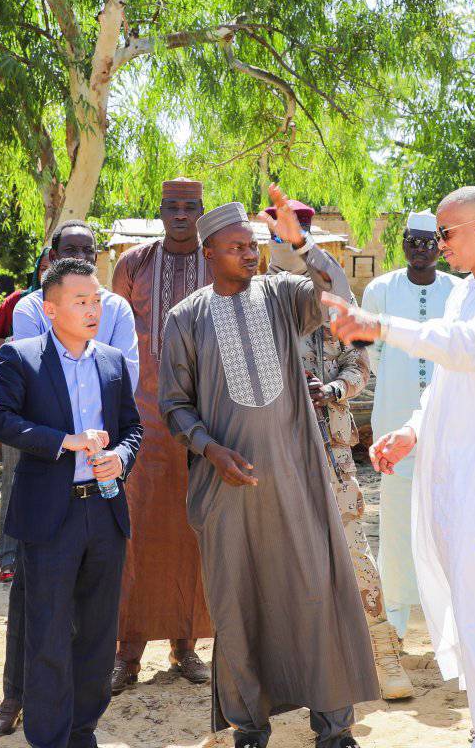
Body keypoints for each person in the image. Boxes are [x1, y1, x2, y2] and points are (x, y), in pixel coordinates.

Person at [330, 186, 475, 748]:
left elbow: (473, 348)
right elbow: (448, 381)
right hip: (462, 486)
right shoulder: (468, 292)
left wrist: (380, 326)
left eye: (448, 233)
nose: (439, 245)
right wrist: (413, 429)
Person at [159, 195, 378, 748]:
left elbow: (335, 295)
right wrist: (211, 450)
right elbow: (174, 405)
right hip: (226, 490)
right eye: (237, 248)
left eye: (253, 245)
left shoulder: (281, 295)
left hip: (297, 480)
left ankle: (333, 727)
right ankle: (248, 727)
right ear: (209, 253)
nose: (250, 255)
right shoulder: (186, 317)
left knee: (314, 593)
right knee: (238, 602)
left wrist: (299, 245)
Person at [0, 258, 143, 748]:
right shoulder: (21, 355)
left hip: (105, 511)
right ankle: (48, 737)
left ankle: (82, 731)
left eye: (96, 300)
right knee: (48, 632)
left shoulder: (112, 361)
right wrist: (64, 441)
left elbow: (133, 428)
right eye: (81, 301)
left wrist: (120, 456)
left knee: (97, 634)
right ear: (50, 309)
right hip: (50, 514)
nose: (93, 309)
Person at [265, 198, 415, 702]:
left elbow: (359, 367)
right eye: (280, 235)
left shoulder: (334, 296)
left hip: (331, 450)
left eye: (299, 235)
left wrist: (332, 392)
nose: (288, 243)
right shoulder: (253, 296)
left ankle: (385, 659)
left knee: (355, 553)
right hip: (276, 452)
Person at [108, 178, 213, 691]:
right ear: (159, 209)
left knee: (194, 531)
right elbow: (111, 337)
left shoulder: (217, 261)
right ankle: (127, 654)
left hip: (203, 421)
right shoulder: (134, 264)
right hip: (142, 420)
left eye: (189, 207)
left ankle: (186, 647)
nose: (180, 215)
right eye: (171, 206)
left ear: (201, 211)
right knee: (137, 530)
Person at [359, 211, 456, 639]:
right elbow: (371, 353)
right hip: (392, 416)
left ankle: (448, 619)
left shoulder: (457, 291)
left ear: (440, 245)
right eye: (412, 241)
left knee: (445, 517)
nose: (420, 248)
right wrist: (401, 380)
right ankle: (396, 612)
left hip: (448, 421)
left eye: (428, 241)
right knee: (397, 516)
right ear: (403, 244)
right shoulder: (380, 290)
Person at [0, 249, 49, 584]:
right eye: (43, 266)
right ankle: (9, 557)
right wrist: (17, 345)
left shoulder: (84, 305)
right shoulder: (19, 301)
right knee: (13, 479)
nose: (48, 271)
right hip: (19, 408)